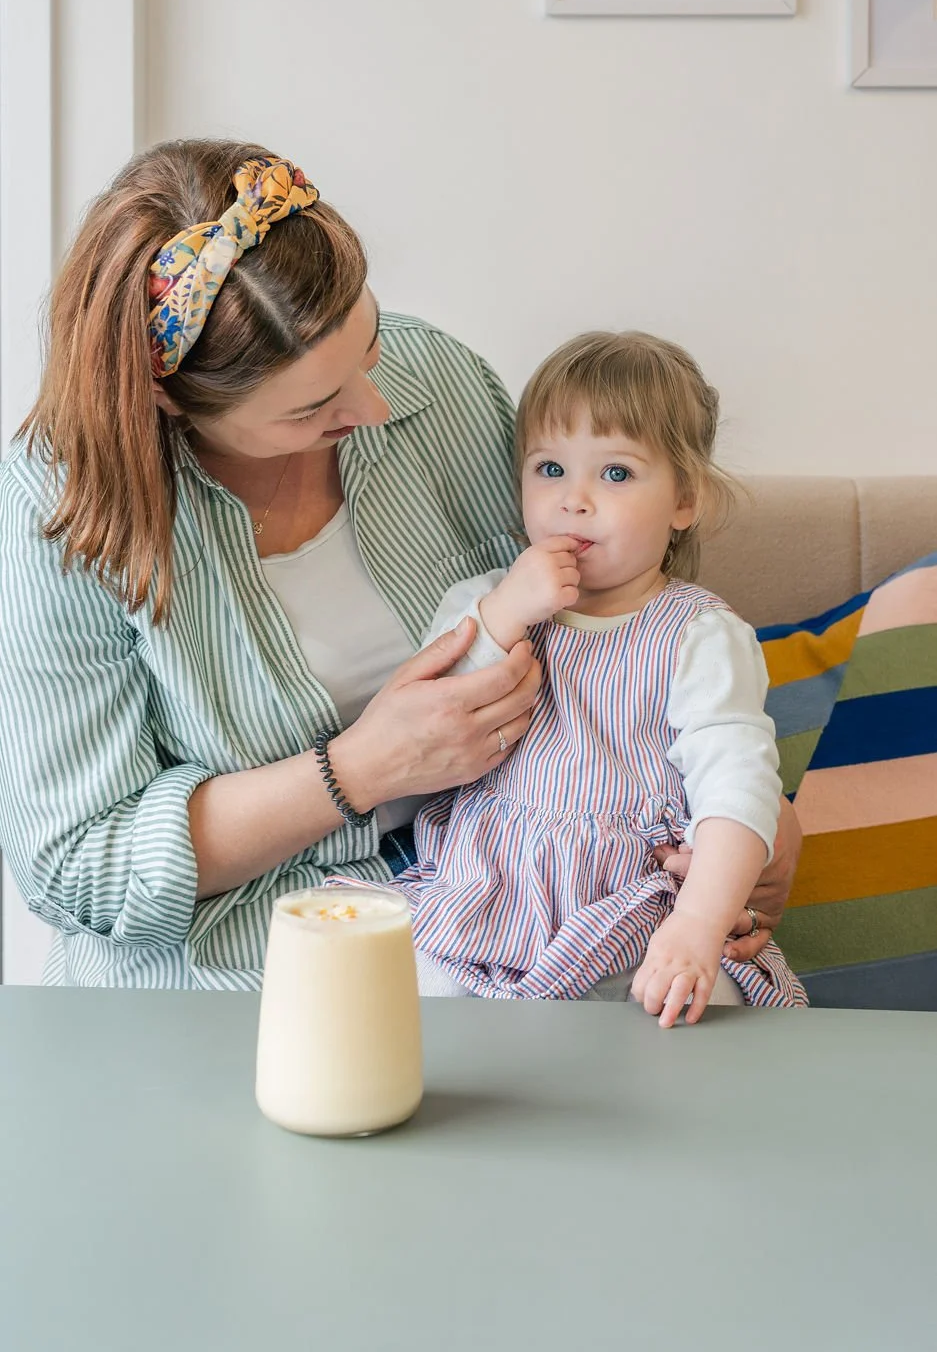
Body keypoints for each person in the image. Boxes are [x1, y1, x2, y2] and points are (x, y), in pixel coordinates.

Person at [0, 138, 799, 990]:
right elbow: (77, 866)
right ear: (169, 399)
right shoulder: (64, 509)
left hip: (514, 918)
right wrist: (358, 770)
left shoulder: (441, 380)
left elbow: (617, 627)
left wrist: (747, 835)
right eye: (313, 407)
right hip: (228, 966)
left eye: (370, 342)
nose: (377, 405)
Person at [327, 332, 808, 1022]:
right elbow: (424, 715)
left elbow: (737, 783)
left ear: (684, 499)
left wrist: (697, 926)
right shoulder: (486, 601)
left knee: (693, 1008)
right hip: (482, 895)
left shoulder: (698, 635)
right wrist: (505, 614)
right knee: (391, 986)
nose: (573, 499)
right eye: (549, 468)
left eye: (615, 473)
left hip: (631, 908)